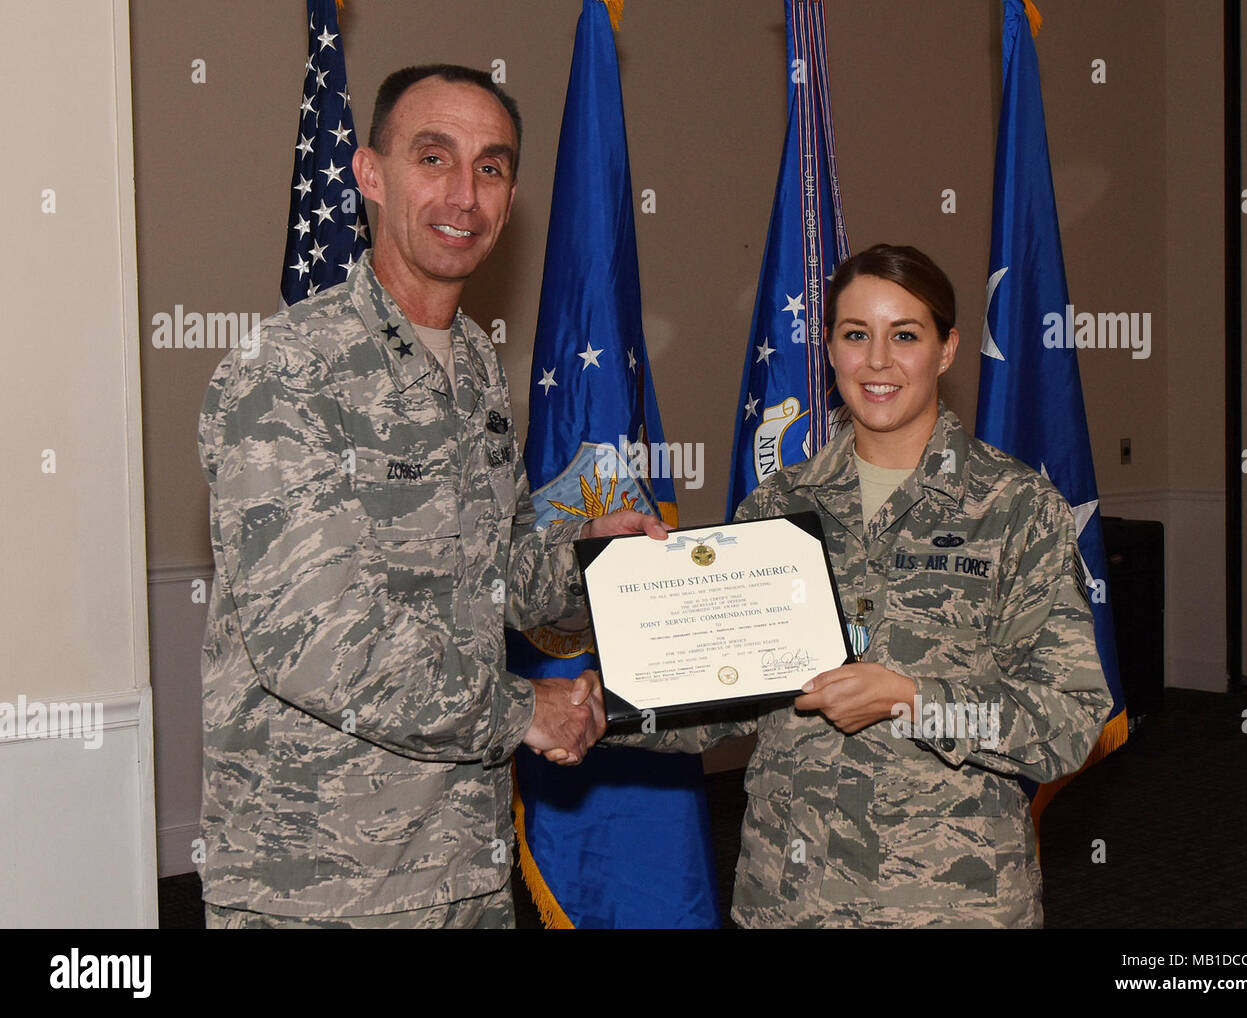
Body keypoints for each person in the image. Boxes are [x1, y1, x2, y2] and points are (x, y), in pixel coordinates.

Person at [197, 64, 665, 929]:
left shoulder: (478, 368)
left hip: (464, 864)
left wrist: (594, 559)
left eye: (490, 167)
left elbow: (493, 577)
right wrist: (526, 709)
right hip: (325, 885)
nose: (463, 193)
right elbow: (319, 640)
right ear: (371, 175)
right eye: (433, 157)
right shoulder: (288, 374)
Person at [605, 244, 1113, 927]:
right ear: (829, 349)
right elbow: (723, 703)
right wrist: (598, 706)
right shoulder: (779, 507)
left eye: (905, 335)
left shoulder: (1018, 508)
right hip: (791, 900)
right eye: (855, 335)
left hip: (949, 906)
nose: (877, 361)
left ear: (947, 348)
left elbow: (1070, 722)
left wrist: (913, 701)